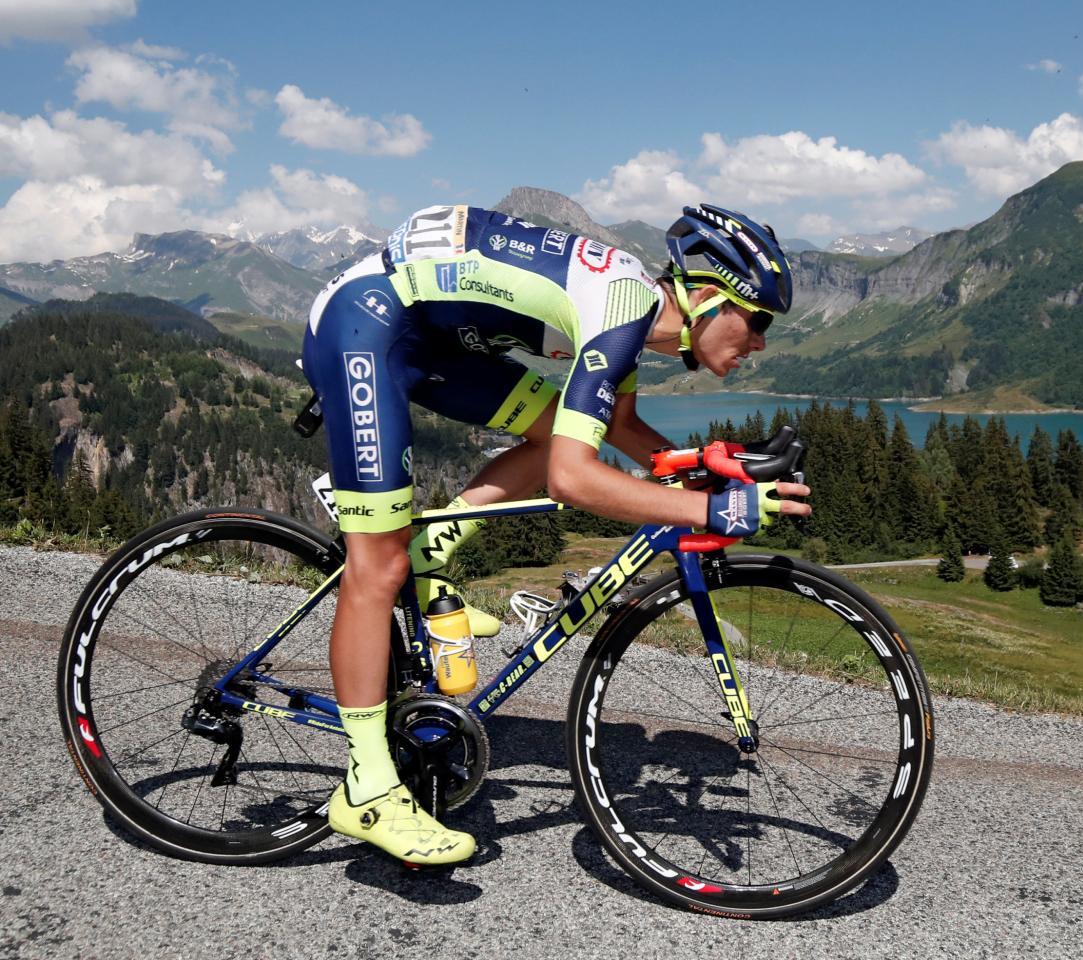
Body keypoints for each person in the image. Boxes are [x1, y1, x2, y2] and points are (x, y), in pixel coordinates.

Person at [299, 202, 809, 865]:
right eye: (759, 321)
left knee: (547, 429)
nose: (762, 341)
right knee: (378, 566)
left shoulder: (630, 311)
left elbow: (617, 431)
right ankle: (366, 787)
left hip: (429, 333)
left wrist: (699, 466)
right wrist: (712, 514)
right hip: (366, 324)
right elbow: (574, 479)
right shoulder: (624, 309)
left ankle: (436, 550)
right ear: (709, 299)